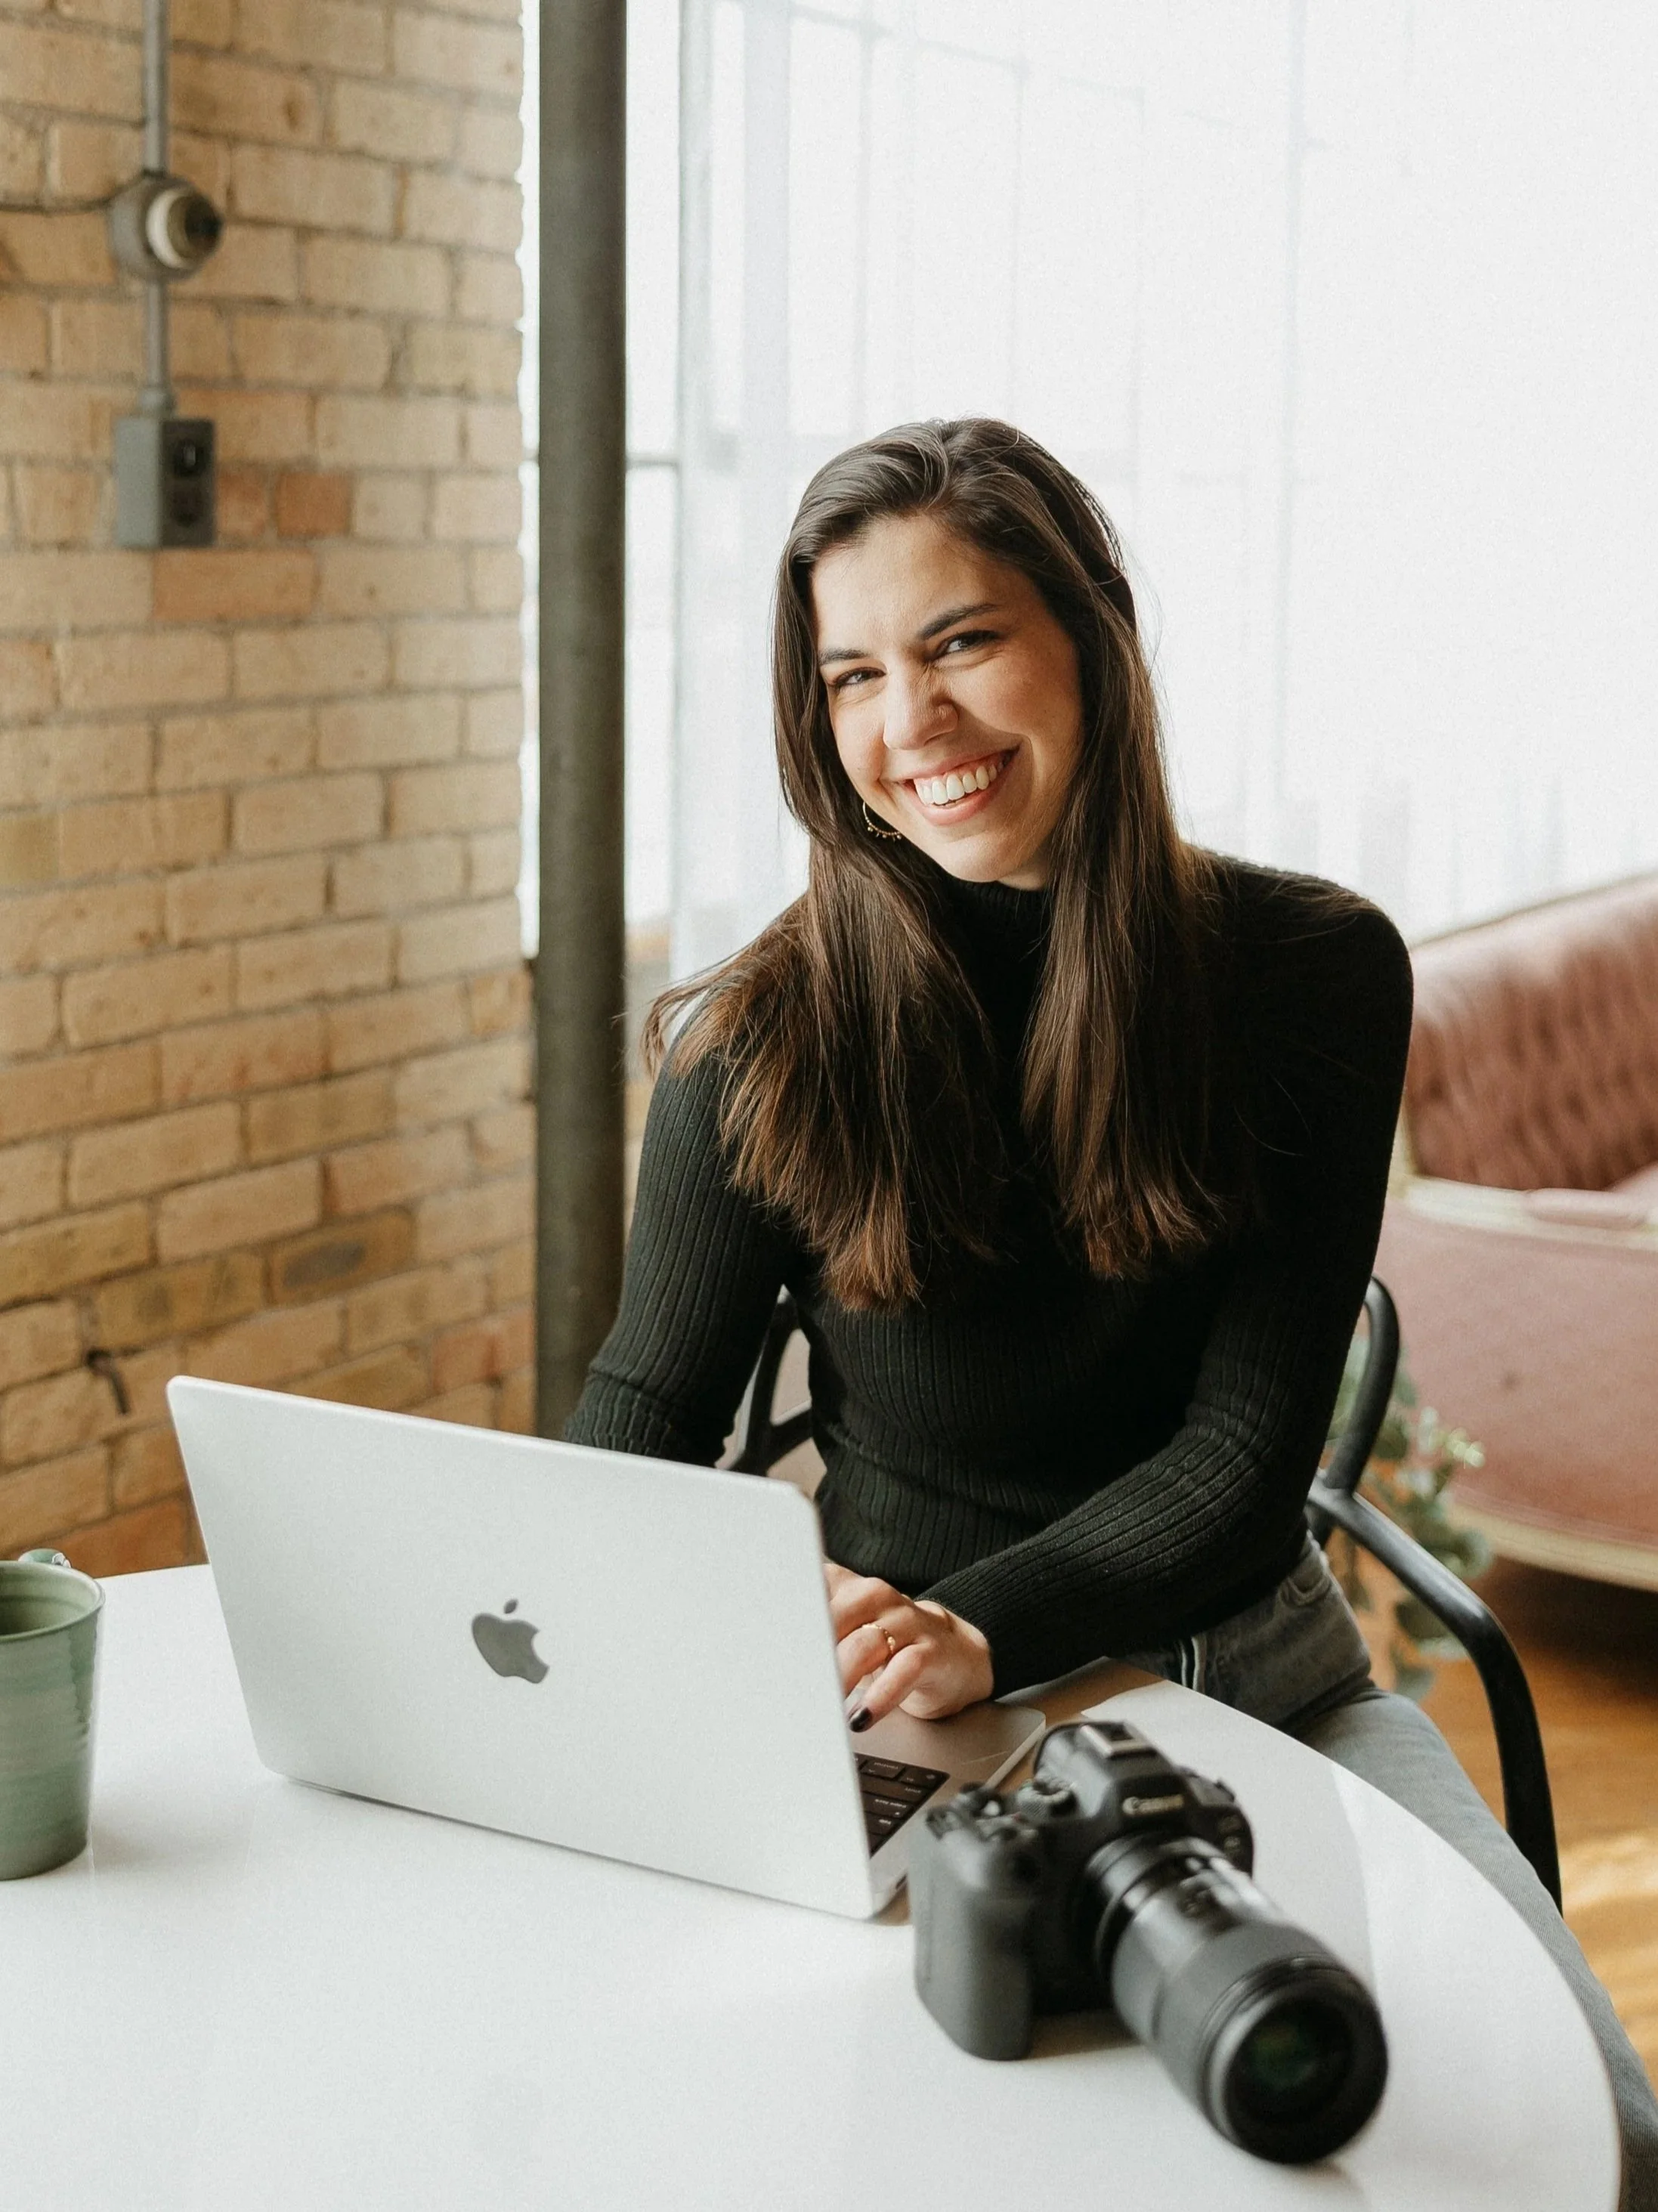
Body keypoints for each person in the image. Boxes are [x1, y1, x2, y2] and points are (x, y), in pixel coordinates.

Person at [567, 417, 1658, 2201]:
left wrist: (972, 1617)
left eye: (960, 642)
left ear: (1092, 638)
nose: (906, 721)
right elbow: (640, 1418)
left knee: (1584, 2132)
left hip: (1261, 1678)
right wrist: (665, 1603)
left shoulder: (1306, 975)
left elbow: (1240, 1456)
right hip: (901, 1729)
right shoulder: (755, 1040)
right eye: (850, 672)